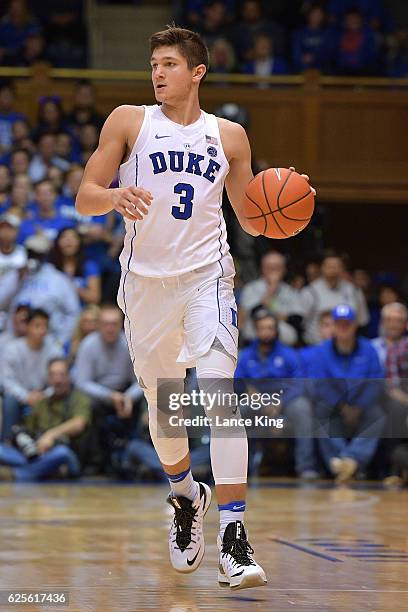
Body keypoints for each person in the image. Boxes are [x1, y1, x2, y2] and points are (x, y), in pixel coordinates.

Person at [76, 25, 314, 590]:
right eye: (153, 64)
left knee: (218, 396)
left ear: (196, 71)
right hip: (145, 286)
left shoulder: (229, 136)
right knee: (166, 414)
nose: (157, 73)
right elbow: (85, 195)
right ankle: (186, 493)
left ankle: (235, 536)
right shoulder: (128, 121)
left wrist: (291, 204)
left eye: (168, 64)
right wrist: (112, 197)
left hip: (208, 279)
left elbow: (253, 215)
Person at [235, 308, 318, 479]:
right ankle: (237, 469)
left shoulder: (288, 354)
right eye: (262, 328)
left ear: (276, 330)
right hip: (255, 401)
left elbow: (299, 383)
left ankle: (305, 466)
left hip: (284, 400)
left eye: (270, 328)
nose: (266, 332)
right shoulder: (246, 355)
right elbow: (237, 382)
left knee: (302, 408)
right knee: (237, 412)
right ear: (256, 331)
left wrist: (281, 401)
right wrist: (248, 391)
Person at [308, 304, 385, 483]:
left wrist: (359, 406)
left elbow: (376, 382)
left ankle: (350, 460)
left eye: (347, 324)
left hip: (362, 406)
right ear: (333, 326)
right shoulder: (322, 351)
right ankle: (342, 463)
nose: (343, 328)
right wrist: (342, 407)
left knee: (378, 413)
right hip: (335, 406)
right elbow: (319, 385)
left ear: (355, 325)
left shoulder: (368, 349)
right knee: (320, 411)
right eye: (339, 324)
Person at [0, 358, 89, 482]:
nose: (57, 380)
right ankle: (42, 471)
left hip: (67, 451)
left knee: (62, 453)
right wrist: (18, 439)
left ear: (69, 377)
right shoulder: (42, 401)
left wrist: (51, 435)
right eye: (53, 375)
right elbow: (28, 431)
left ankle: (18, 474)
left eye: (61, 375)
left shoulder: (79, 398)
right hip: (40, 454)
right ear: (48, 378)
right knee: (2, 450)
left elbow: (79, 423)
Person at [1, 308, 63, 441]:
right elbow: (7, 381)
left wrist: (44, 395)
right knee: (9, 401)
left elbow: (60, 379)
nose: (42, 330)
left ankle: (48, 444)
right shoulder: (12, 349)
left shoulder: (54, 350)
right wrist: (26, 396)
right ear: (27, 327)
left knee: (61, 397)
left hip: (45, 395)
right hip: (19, 396)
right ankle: (7, 443)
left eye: (45, 326)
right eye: (37, 326)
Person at [301, 253, 369, 345]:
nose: (333, 269)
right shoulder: (309, 292)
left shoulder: (354, 291)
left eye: (337, 266)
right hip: (317, 346)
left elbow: (362, 321)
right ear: (322, 268)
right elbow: (302, 323)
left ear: (342, 269)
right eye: (329, 266)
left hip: (347, 347)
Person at [239, 250, 303, 346]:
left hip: (285, 346)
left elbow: (297, 320)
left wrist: (274, 315)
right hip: (255, 346)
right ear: (262, 269)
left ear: (284, 269)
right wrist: (271, 291)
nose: (273, 271)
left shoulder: (291, 291)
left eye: (277, 267)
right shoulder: (250, 289)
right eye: (269, 267)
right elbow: (253, 314)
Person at [372, 302, 408, 368]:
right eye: (389, 320)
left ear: (405, 324)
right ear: (382, 322)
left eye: (398, 320)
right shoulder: (371, 346)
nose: (393, 325)